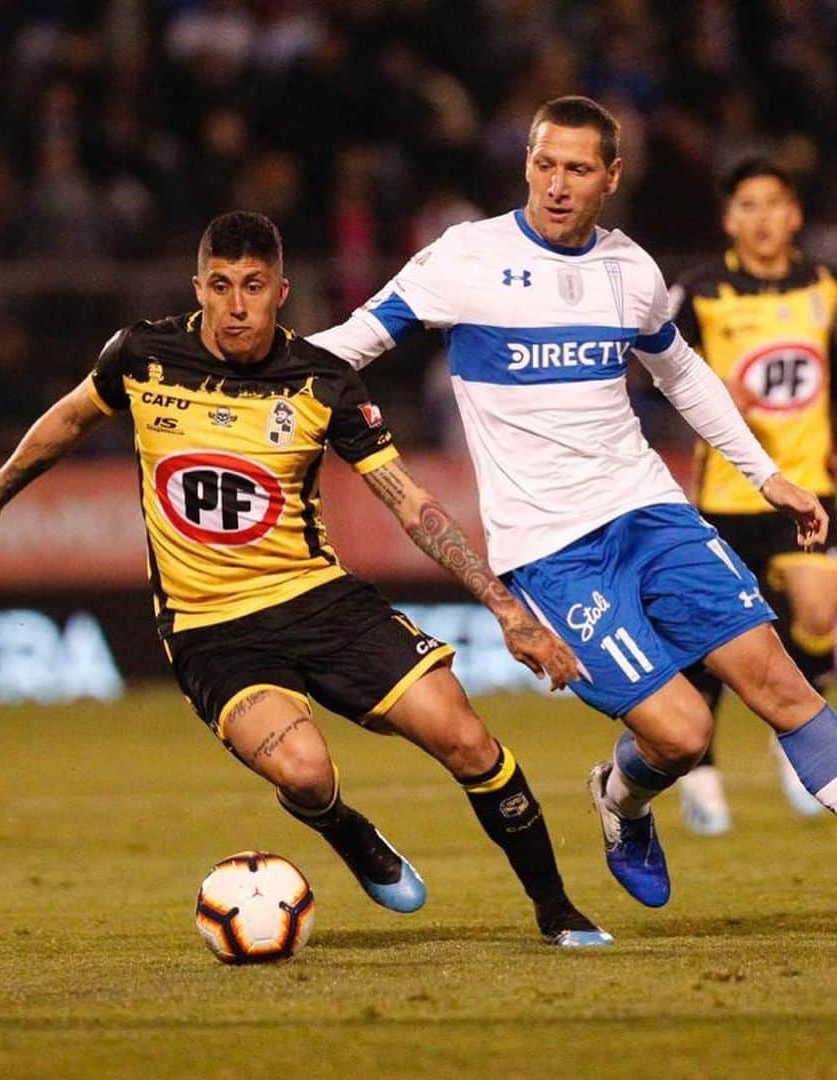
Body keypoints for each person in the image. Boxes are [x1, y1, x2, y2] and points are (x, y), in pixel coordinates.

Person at [0, 211, 611, 948]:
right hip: (210, 627)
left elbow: (408, 502)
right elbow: (70, 421)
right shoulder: (141, 356)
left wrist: (504, 606)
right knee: (303, 771)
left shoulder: (323, 381)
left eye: (254, 287)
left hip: (317, 600)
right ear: (198, 286)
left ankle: (556, 911)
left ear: (282, 292)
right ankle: (343, 826)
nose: (237, 305)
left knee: (465, 737)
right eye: (222, 286)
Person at [308, 96, 836, 912]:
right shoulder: (465, 258)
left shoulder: (630, 270)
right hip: (554, 552)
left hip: (650, 511)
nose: (557, 185)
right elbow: (349, 344)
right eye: (544, 164)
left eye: (578, 169)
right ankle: (622, 804)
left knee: (781, 685)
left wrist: (764, 473)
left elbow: (682, 372)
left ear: (611, 177)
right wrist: (228, 375)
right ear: (526, 163)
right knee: (684, 732)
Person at [671, 159, 837, 833]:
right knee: (719, 639)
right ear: (729, 218)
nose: (763, 216)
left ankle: (790, 726)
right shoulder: (704, 291)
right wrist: (708, 387)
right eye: (749, 205)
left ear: (794, 214)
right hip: (730, 493)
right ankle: (702, 771)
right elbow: (655, 369)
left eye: (774, 203)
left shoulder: (824, 287)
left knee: (821, 614)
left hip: (808, 488)